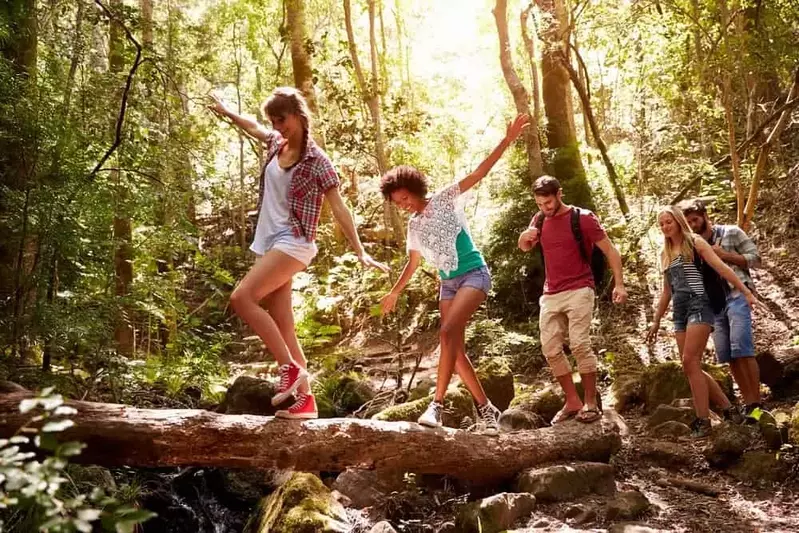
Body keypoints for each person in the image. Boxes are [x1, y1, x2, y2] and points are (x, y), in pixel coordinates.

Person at [209, 87, 388, 420]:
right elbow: (254, 127)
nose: (278, 126)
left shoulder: (317, 161)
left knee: (242, 298)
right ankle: (306, 402)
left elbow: (339, 207)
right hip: (272, 242)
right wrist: (228, 111)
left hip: (294, 242)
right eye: (274, 121)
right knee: (284, 325)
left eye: (283, 119)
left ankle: (289, 370)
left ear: (299, 115)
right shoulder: (277, 143)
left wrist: (360, 250)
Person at [379, 114, 529, 435]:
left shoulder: (447, 198)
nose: (403, 205)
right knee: (455, 351)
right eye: (397, 202)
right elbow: (414, 262)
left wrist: (507, 139)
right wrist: (395, 291)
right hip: (448, 284)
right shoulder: (414, 225)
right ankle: (487, 409)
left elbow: (479, 172)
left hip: (474, 274)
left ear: (415, 189)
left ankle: (436, 405)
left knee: (446, 334)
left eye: (404, 198)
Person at [517, 176, 627, 425]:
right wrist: (525, 237)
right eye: (539, 204)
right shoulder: (540, 219)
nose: (544, 208)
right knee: (550, 348)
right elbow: (524, 246)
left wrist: (619, 284)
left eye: (548, 202)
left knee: (579, 344)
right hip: (551, 292)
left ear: (559, 194)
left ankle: (590, 402)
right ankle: (572, 400)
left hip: (580, 288)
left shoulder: (583, 218)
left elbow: (610, 250)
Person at [646, 206, 760, 437]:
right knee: (690, 366)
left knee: (690, 360)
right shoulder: (665, 253)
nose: (665, 227)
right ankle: (729, 410)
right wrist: (656, 321)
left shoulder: (695, 242)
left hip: (700, 306)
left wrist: (746, 292)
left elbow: (721, 267)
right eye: (661, 224)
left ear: (678, 221)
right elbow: (667, 291)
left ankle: (703, 420)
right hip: (679, 311)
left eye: (668, 222)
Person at [682, 199, 763, 421]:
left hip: (737, 295)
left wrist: (723, 255)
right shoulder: (692, 245)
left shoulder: (731, 232)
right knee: (728, 355)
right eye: (688, 222)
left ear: (705, 216)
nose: (693, 224)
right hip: (714, 304)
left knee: (742, 348)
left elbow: (756, 259)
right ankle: (748, 405)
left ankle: (757, 404)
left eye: (695, 219)